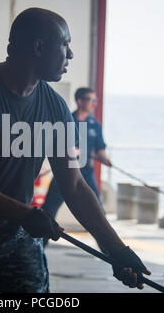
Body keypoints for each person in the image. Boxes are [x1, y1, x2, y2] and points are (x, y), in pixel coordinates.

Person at [0, 8, 150, 293]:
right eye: (65, 44)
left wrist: (116, 251)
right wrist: (24, 213)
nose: (70, 54)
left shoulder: (55, 108)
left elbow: (75, 186)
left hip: (14, 232)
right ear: (38, 47)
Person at [42, 87, 112, 248]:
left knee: (98, 212)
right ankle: (39, 246)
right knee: (49, 210)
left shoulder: (95, 125)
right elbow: (53, 144)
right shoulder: (67, 120)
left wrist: (105, 159)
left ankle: (109, 251)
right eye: (91, 100)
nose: (94, 104)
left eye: (96, 100)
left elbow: (100, 150)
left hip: (86, 173)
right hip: (65, 172)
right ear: (80, 101)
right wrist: (69, 150)